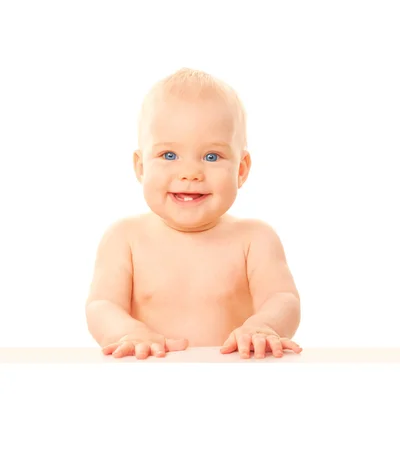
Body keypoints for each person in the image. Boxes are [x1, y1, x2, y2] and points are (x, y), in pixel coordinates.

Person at [85, 67, 303, 360]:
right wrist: (126, 331)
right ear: (141, 167)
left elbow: (283, 298)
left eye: (211, 156)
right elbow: (102, 305)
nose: (190, 173)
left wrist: (263, 325)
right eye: (168, 155)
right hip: (146, 379)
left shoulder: (254, 239)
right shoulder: (125, 239)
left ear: (241, 169)